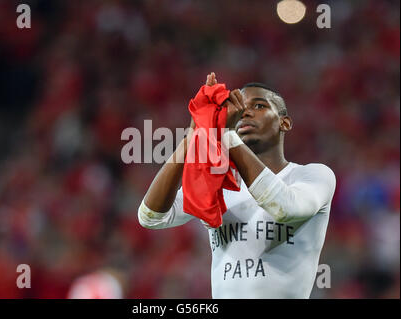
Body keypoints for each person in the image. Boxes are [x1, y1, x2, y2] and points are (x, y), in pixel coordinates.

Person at [138, 72, 336, 298]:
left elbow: (285, 208)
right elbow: (151, 217)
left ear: (285, 122)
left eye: (259, 106)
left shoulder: (313, 175)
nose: (245, 112)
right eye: (240, 107)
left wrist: (228, 135)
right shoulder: (219, 183)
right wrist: (194, 135)